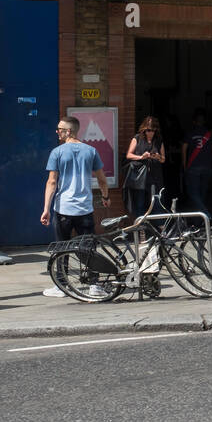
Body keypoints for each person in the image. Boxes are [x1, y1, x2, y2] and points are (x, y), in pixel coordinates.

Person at [41, 115, 110, 298]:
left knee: (62, 248)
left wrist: (46, 208)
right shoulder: (91, 151)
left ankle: (61, 286)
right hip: (85, 209)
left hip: (63, 209)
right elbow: (102, 180)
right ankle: (94, 285)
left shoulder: (57, 152)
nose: (57, 132)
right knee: (88, 248)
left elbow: (52, 182)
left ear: (68, 131)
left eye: (59, 129)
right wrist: (105, 197)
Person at [181, 109, 212, 216]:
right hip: (207, 168)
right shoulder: (209, 135)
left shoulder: (190, 133)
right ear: (204, 121)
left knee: (193, 193)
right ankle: (200, 220)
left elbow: (183, 149)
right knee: (202, 195)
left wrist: (184, 166)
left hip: (193, 168)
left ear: (194, 121)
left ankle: (206, 215)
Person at [124, 116, 166, 219]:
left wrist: (158, 157)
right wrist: (141, 157)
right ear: (144, 129)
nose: (150, 133)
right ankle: (141, 226)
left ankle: (159, 226)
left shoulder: (158, 140)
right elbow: (129, 155)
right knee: (140, 202)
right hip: (140, 176)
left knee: (156, 201)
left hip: (154, 176)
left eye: (153, 130)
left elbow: (163, 159)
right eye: (148, 130)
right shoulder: (137, 138)